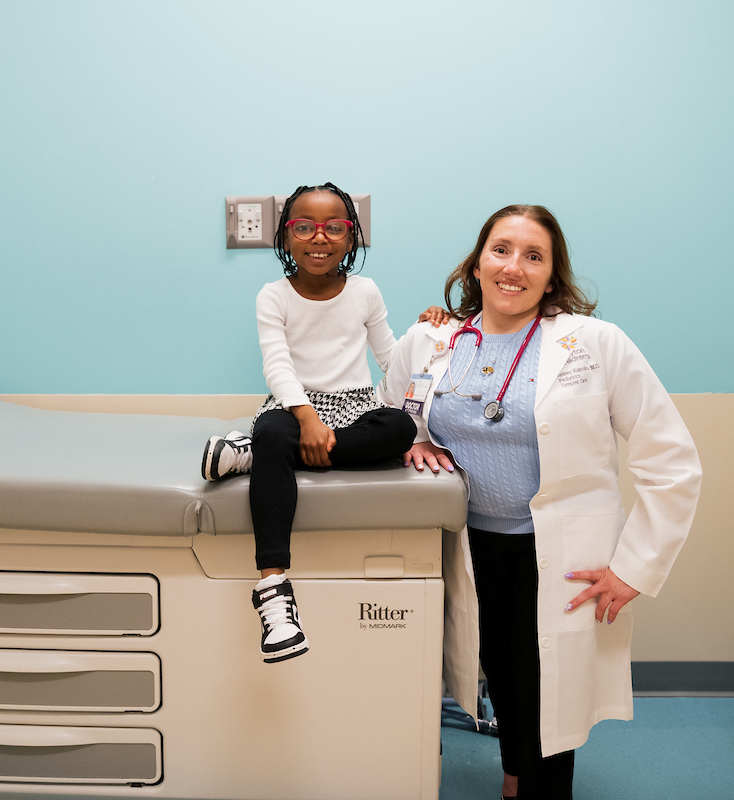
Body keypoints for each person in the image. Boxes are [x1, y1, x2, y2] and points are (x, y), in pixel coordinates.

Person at [380, 205, 702, 799]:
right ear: (477, 263)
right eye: (501, 250)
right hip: (467, 547)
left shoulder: (595, 344)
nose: (514, 267)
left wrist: (636, 568)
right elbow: (393, 416)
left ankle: (538, 786)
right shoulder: (430, 341)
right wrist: (417, 441)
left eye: (534, 256)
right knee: (502, 676)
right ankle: (514, 778)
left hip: (560, 553)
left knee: (551, 696)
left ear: (552, 276)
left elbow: (671, 459)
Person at [201, 182, 443, 664]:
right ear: (286, 238)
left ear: (351, 237)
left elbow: (390, 358)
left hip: (354, 406)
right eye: (305, 227)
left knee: (397, 429)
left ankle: (254, 455)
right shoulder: (273, 296)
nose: (320, 237)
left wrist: (426, 332)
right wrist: (307, 420)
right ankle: (273, 586)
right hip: (294, 407)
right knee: (274, 431)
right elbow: (278, 367)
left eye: (334, 227)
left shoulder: (365, 291)